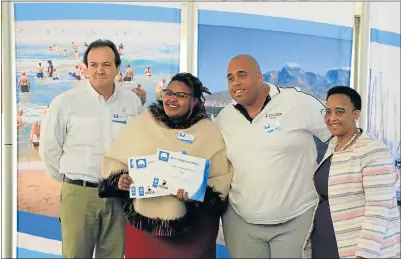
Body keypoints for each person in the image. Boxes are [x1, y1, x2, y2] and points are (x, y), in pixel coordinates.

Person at [98, 72, 233, 258]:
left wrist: (196, 193)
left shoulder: (208, 132)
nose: (172, 99)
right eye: (169, 93)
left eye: (181, 95)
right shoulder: (143, 123)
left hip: (191, 236)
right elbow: (116, 159)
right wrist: (120, 179)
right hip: (143, 232)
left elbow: (220, 179)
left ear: (194, 101)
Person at [214, 55, 332, 258]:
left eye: (242, 75)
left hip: (296, 219)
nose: (236, 82)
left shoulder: (297, 102)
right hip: (243, 223)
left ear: (259, 77)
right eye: (230, 78)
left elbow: (337, 135)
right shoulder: (224, 117)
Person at [39, 39, 143, 258]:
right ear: (86, 68)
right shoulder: (65, 102)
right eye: (93, 64)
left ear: (117, 68)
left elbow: (138, 145)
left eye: (106, 64)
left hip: (118, 196)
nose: (99, 70)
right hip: (78, 195)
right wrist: (71, 181)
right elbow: (50, 149)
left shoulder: (132, 102)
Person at [303, 86, 400, 259]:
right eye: (328, 111)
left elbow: (378, 209)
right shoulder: (334, 145)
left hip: (356, 251)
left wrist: (364, 255)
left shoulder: (373, 151)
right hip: (325, 245)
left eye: (339, 111)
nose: (332, 118)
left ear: (356, 114)